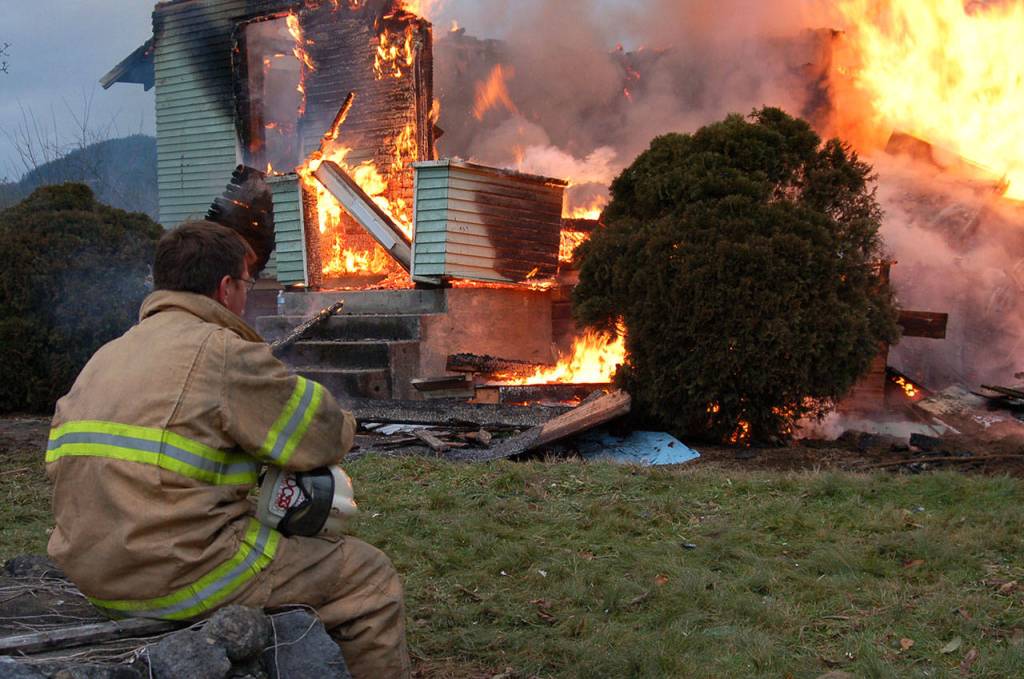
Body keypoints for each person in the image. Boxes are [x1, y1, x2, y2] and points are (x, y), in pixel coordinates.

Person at [46, 220, 410, 678]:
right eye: (246, 283)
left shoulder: (107, 356)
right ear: (224, 288)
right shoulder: (222, 353)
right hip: (176, 575)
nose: (246, 296)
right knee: (367, 577)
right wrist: (345, 422)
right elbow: (320, 436)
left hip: (93, 572)